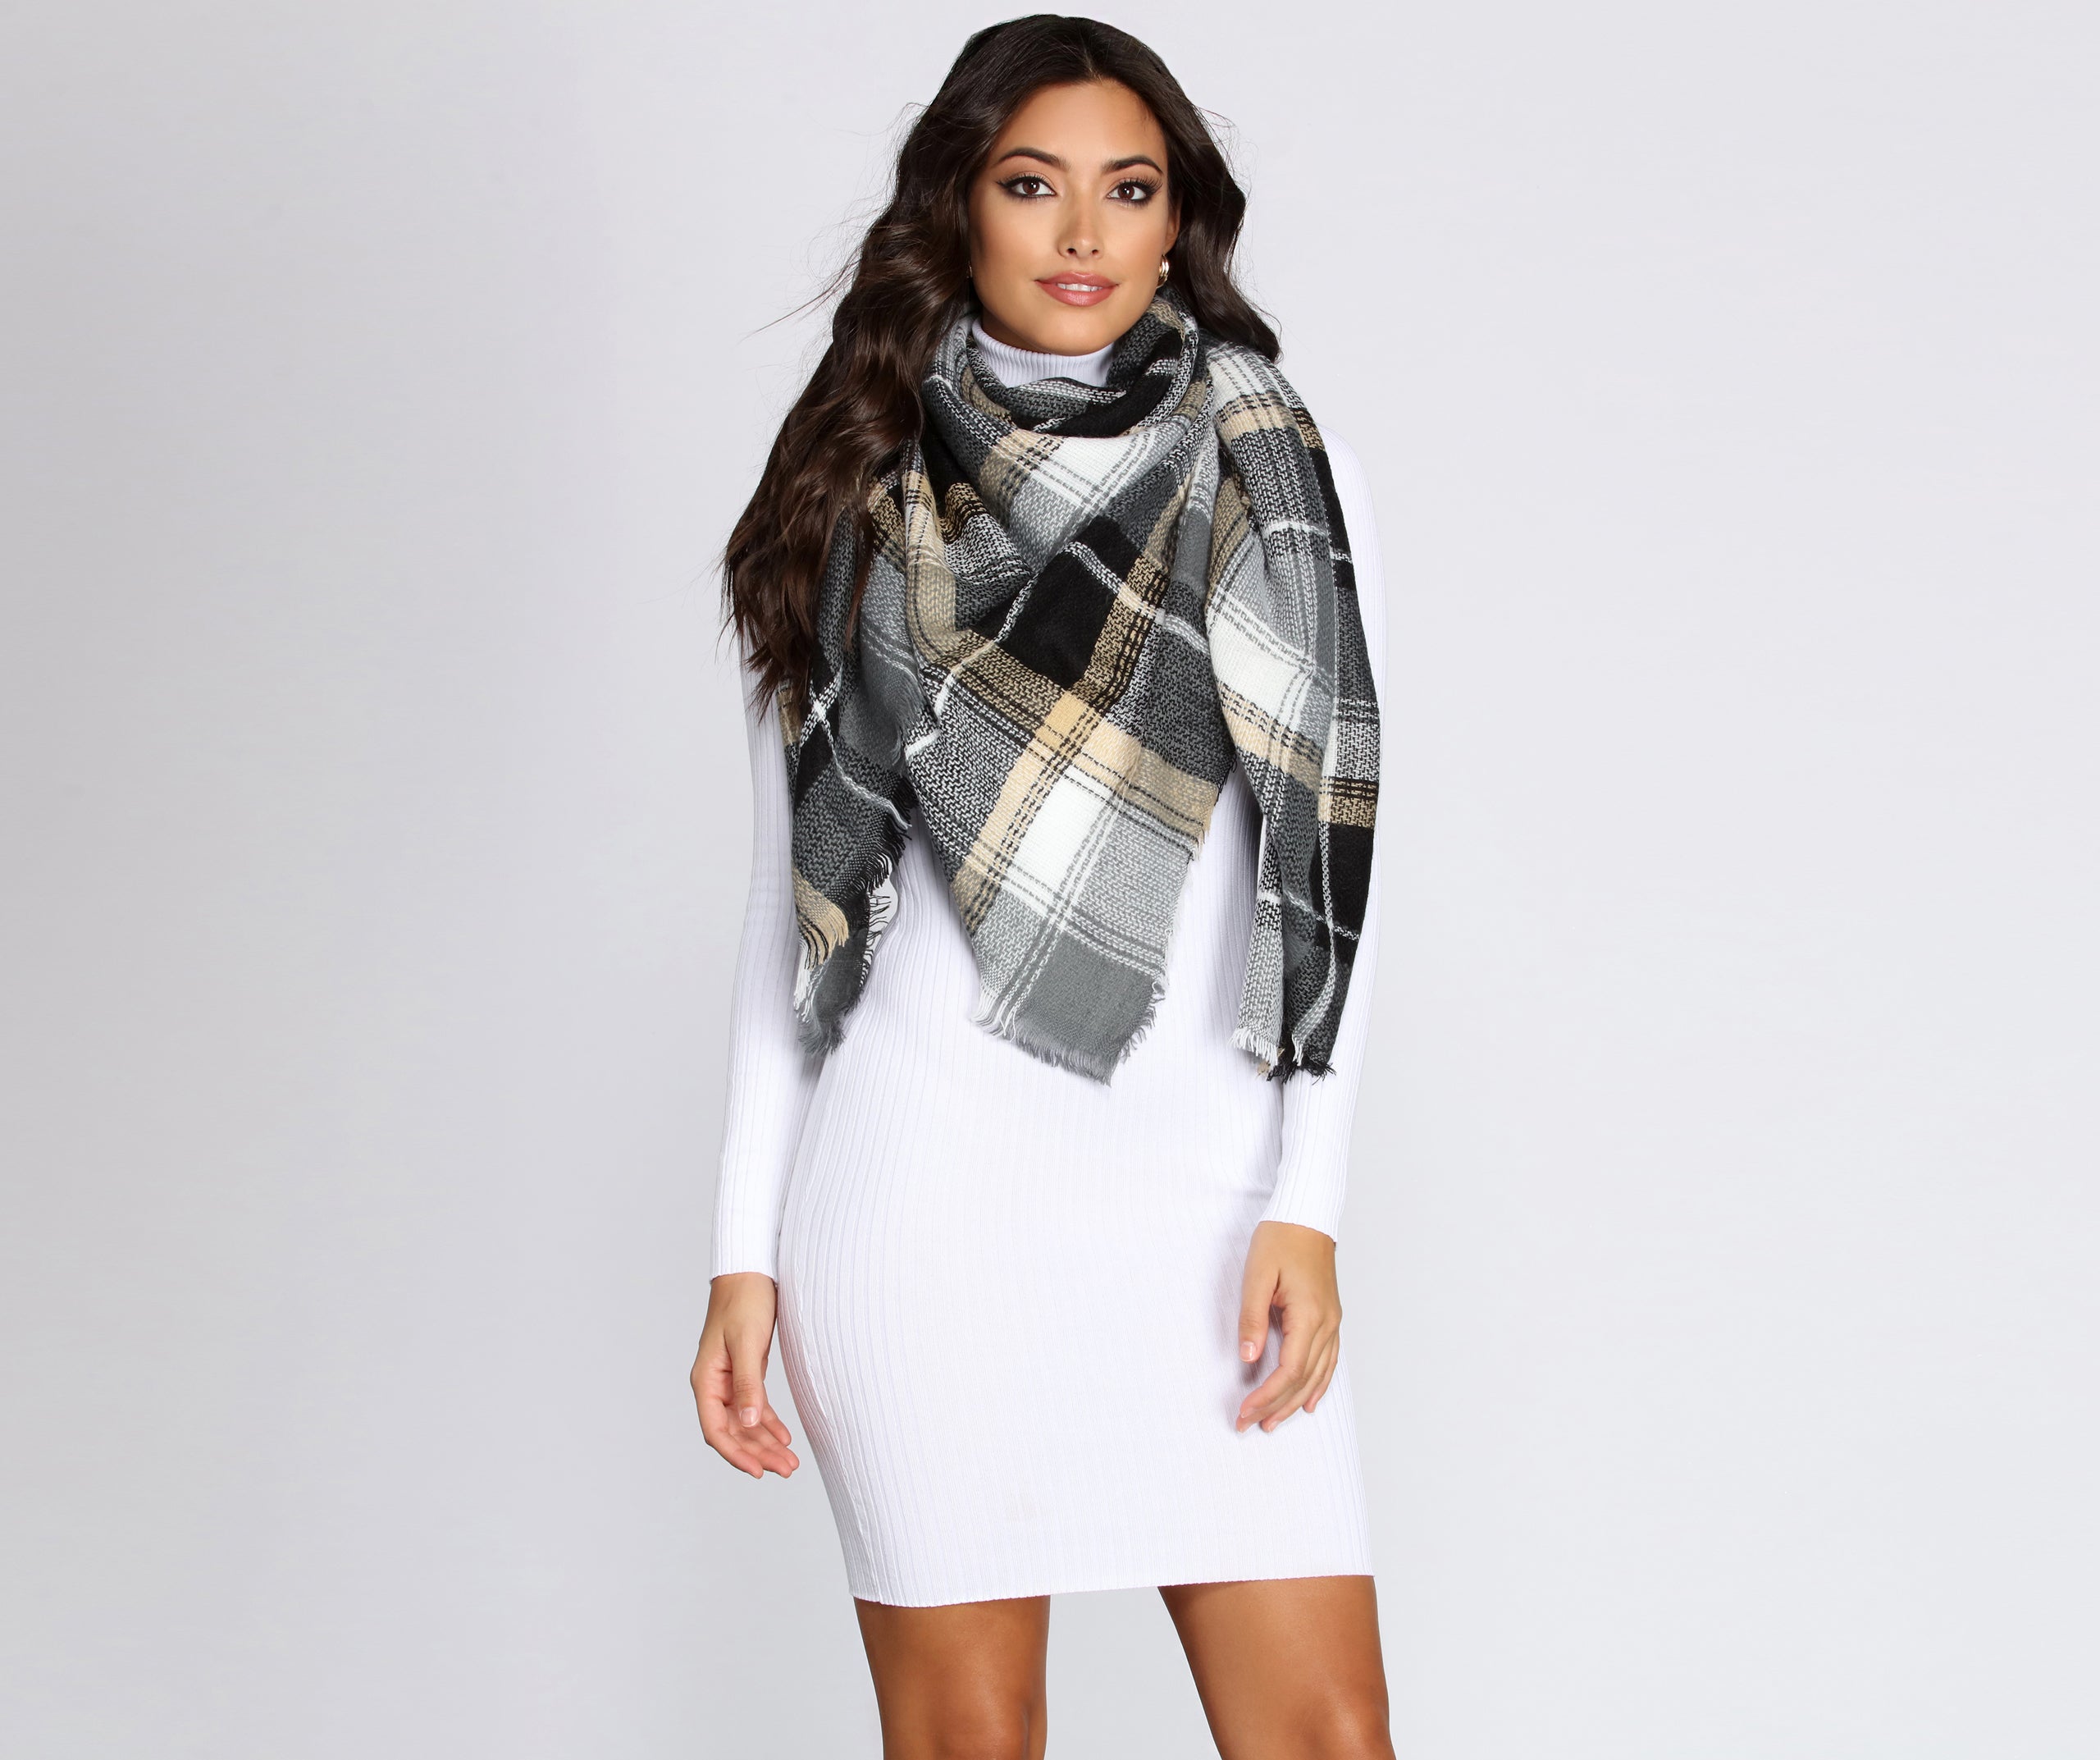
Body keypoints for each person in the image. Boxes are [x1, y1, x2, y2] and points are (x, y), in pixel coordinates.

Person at [692, 16, 1394, 1758]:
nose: (1082, 233)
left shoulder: (1273, 466)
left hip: (1208, 1213)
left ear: (1177, 220)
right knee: (969, 1740)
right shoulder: (851, 488)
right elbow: (793, 905)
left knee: (1323, 1733)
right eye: (1032, 186)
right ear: (961, 206)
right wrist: (738, 1255)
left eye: (1127, 190)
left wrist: (1306, 1198)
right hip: (919, 1209)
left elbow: (1339, 852)